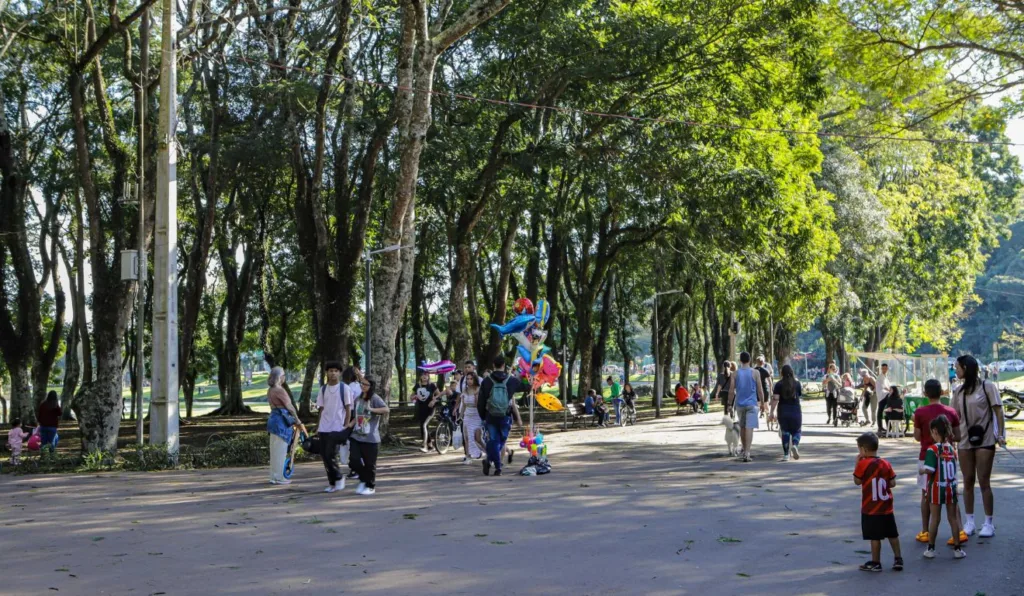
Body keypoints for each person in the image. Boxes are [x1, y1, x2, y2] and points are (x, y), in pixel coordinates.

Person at [950, 355, 1006, 538]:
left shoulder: (987, 386)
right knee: (967, 481)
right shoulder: (958, 392)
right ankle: (970, 521)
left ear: (966, 368)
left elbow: (998, 411)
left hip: (986, 439)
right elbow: (953, 417)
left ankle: (988, 522)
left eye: (957, 367)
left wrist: (1000, 435)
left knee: (984, 481)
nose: (955, 370)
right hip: (965, 440)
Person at [913, 379, 964, 546]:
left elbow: (917, 436)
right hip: (948, 455)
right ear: (942, 392)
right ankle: (960, 530)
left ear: (925, 393)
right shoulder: (951, 411)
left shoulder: (920, 412)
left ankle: (925, 530)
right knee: (951, 492)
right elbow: (958, 436)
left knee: (925, 493)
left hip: (926, 454)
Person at [853, 432, 903, 572]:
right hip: (886, 507)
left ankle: (876, 562)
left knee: (875, 537)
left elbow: (857, 481)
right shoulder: (885, 463)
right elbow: (892, 483)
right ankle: (898, 559)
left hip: (871, 508)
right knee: (892, 534)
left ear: (864, 449)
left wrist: (856, 463)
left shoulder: (863, 464)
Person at [921, 415, 965, 560]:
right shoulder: (952, 449)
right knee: (953, 518)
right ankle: (957, 548)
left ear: (934, 431)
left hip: (936, 488)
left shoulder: (932, 449)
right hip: (950, 487)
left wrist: (922, 469)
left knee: (935, 518)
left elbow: (930, 470)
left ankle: (931, 548)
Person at [476, 356, 526, 476]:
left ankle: (493, 463)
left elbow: (481, 402)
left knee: (493, 440)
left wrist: (483, 416)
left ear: (493, 366)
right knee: (501, 441)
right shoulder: (511, 380)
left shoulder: (486, 381)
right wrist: (526, 376)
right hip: (505, 415)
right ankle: (496, 466)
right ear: (504, 365)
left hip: (491, 415)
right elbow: (526, 387)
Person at [347, 375, 389, 496]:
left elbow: (386, 409)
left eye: (365, 384)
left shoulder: (375, 398)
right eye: (362, 384)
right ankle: (364, 479)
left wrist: (371, 409)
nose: (363, 386)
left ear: (371, 386)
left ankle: (370, 486)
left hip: (370, 437)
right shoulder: (358, 398)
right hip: (356, 435)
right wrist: (349, 425)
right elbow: (357, 415)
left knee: (370, 464)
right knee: (354, 461)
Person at [315, 361, 353, 493]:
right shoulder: (323, 389)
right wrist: (318, 426)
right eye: (330, 371)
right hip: (323, 428)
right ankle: (332, 483)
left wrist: (346, 425)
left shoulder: (345, 389)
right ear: (326, 373)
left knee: (330, 454)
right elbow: (321, 409)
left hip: (337, 427)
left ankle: (338, 477)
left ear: (340, 373)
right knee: (325, 457)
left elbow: (348, 409)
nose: (333, 373)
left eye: (336, 371)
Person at [267, 367, 306, 485]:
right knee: (281, 449)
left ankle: (274, 476)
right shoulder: (280, 390)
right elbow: (289, 406)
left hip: (273, 419)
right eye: (284, 375)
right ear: (280, 377)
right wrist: (297, 420)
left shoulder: (270, 390)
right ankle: (280, 477)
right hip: (281, 421)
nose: (285, 377)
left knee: (274, 450)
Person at [727, 352, 766, 462]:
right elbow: (760, 390)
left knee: (743, 427)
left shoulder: (735, 374)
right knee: (749, 428)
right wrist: (762, 403)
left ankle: (744, 450)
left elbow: (731, 390)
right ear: (750, 360)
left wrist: (729, 404)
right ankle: (747, 452)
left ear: (740, 361)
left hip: (739, 404)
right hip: (752, 404)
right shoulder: (755, 373)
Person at [769, 364, 803, 461]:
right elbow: (799, 395)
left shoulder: (778, 384)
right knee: (797, 430)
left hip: (783, 411)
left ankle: (786, 454)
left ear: (781, 373)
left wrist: (771, 412)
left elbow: (775, 399)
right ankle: (795, 445)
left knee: (785, 432)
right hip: (795, 410)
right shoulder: (797, 384)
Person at [459, 372, 485, 464]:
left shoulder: (478, 390)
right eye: (468, 379)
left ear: (475, 380)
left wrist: (477, 398)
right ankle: (468, 456)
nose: (469, 381)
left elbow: (479, 405)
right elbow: (463, 405)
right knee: (466, 437)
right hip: (467, 415)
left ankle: (489, 453)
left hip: (476, 415)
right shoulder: (464, 390)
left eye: (471, 379)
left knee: (477, 438)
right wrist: (460, 416)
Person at [412, 371, 439, 453]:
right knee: (423, 427)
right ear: (420, 376)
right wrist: (414, 396)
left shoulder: (432, 385)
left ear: (429, 377)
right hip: (421, 409)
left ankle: (424, 445)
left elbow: (439, 394)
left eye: (426, 375)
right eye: (423, 375)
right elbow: (411, 396)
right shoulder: (417, 386)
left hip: (430, 409)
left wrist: (434, 401)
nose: (424, 376)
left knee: (424, 425)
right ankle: (430, 445)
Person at [876, 363, 892, 434]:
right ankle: (880, 427)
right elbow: (884, 387)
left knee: (886, 410)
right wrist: (890, 390)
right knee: (880, 411)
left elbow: (888, 386)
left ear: (887, 369)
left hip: (886, 395)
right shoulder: (880, 377)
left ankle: (888, 426)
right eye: (883, 368)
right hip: (882, 396)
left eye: (885, 368)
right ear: (881, 369)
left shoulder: (886, 377)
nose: (884, 370)